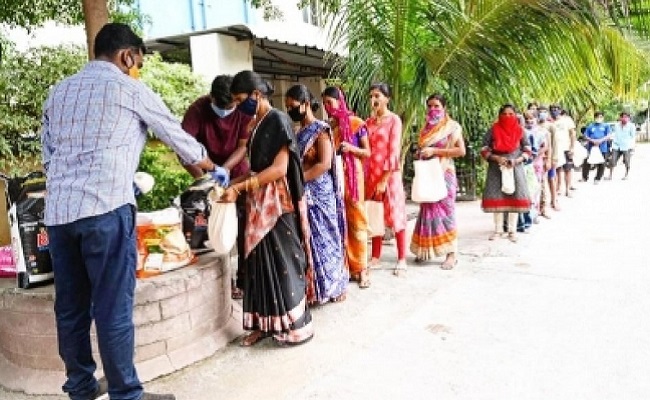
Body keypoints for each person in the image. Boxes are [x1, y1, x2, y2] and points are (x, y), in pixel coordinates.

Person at [40, 23, 225, 400]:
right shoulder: (130, 89)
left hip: (60, 215)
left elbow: (48, 155)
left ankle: (81, 388)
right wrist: (210, 166)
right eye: (136, 62)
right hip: (106, 209)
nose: (135, 68)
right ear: (127, 56)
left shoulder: (57, 92)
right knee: (112, 307)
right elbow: (177, 136)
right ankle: (126, 394)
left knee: (71, 308)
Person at [220, 70, 314, 347]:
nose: (238, 106)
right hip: (257, 202)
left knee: (283, 261)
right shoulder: (255, 124)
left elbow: (278, 169)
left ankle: (294, 326)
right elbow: (255, 168)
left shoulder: (278, 119)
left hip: (277, 204)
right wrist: (230, 182)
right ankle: (263, 324)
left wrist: (239, 187)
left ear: (256, 95)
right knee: (258, 264)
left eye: (240, 100)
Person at [181, 75, 252, 300]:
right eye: (221, 107)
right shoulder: (198, 110)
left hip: (237, 177)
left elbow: (243, 146)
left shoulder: (242, 110)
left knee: (243, 229)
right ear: (211, 97)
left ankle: (244, 278)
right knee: (205, 230)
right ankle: (220, 282)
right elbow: (183, 150)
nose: (227, 111)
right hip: (205, 176)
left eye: (230, 106)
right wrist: (204, 179)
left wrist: (226, 171)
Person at [285, 84, 348, 304]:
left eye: (292, 106)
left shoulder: (320, 129)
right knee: (309, 240)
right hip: (304, 193)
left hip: (320, 193)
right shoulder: (297, 132)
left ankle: (336, 286)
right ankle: (317, 288)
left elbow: (323, 164)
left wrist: (298, 180)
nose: (290, 110)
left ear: (305, 104)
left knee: (327, 238)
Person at [321, 86, 371, 288]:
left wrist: (350, 148)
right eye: (324, 104)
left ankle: (363, 269)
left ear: (339, 101)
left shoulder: (357, 123)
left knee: (357, 220)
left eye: (329, 103)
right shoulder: (328, 128)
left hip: (352, 176)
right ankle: (347, 267)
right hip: (335, 177)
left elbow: (367, 152)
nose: (327, 107)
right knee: (340, 221)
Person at [410, 94, 466, 269]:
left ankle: (452, 254)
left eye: (437, 106)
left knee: (446, 213)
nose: (433, 109)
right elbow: (422, 149)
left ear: (444, 108)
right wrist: (421, 153)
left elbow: (461, 151)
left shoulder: (452, 127)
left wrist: (434, 151)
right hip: (428, 172)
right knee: (427, 211)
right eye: (430, 106)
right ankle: (425, 250)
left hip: (444, 173)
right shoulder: (425, 129)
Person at [365, 83, 408, 276]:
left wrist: (384, 179)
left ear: (387, 99)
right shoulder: (369, 122)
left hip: (389, 176)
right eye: (372, 96)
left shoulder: (394, 121)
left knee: (395, 214)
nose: (374, 99)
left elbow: (393, 152)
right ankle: (375, 256)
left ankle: (401, 258)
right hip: (371, 175)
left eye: (378, 95)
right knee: (375, 215)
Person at [480, 104, 532, 243]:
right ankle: (498, 230)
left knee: (514, 198)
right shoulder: (493, 130)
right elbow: (484, 149)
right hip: (496, 168)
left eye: (511, 114)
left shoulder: (520, 131)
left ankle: (512, 231)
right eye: (504, 114)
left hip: (515, 168)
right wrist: (496, 158)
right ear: (499, 115)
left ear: (515, 116)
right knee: (497, 196)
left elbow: (527, 150)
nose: (507, 117)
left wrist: (517, 160)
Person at [550, 105, 577, 197]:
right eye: (552, 110)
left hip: (566, 147)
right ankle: (558, 188)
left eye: (556, 110)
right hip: (555, 149)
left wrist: (572, 147)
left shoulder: (567, 120)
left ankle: (568, 189)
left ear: (560, 110)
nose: (554, 111)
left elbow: (573, 133)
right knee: (557, 169)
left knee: (568, 169)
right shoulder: (550, 122)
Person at [580, 111, 611, 184]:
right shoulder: (590, 126)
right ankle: (584, 177)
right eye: (597, 117)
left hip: (602, 147)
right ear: (594, 118)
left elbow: (609, 135)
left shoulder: (606, 126)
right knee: (587, 162)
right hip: (591, 147)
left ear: (603, 118)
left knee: (602, 163)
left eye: (600, 117)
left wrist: (600, 140)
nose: (599, 118)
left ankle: (597, 178)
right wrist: (592, 140)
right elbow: (585, 136)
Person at [537, 105, 557, 214]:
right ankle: (538, 207)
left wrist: (553, 158)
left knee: (550, 180)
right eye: (540, 111)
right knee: (539, 183)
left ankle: (553, 202)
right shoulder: (534, 125)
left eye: (544, 111)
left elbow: (553, 144)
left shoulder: (550, 126)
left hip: (547, 158)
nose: (542, 113)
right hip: (537, 159)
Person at [607, 111, 636, 180]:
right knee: (613, 160)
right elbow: (613, 134)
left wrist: (632, 148)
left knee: (626, 161)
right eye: (623, 117)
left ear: (629, 118)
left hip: (626, 146)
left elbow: (633, 137)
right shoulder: (616, 125)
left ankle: (626, 175)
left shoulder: (631, 126)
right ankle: (610, 175)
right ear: (620, 118)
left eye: (627, 117)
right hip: (616, 145)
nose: (625, 118)